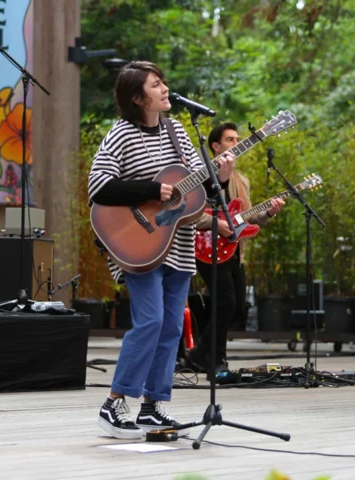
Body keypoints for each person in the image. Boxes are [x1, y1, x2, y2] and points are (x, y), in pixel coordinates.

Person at [88, 61, 237, 439]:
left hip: (177, 244)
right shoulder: (121, 134)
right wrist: (151, 190)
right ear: (138, 98)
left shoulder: (177, 132)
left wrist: (217, 176)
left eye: (163, 82)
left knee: (171, 327)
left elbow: (188, 192)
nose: (165, 89)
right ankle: (114, 403)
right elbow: (99, 187)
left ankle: (152, 407)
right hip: (137, 244)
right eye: (156, 85)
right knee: (151, 322)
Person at [187, 122, 284, 374]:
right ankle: (210, 357)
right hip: (207, 247)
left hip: (234, 250)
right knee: (226, 303)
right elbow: (191, 215)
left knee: (236, 307)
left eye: (237, 139)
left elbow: (247, 218)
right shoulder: (201, 176)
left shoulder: (242, 181)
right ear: (215, 146)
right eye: (230, 140)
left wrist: (269, 212)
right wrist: (216, 223)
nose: (236, 143)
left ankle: (205, 355)